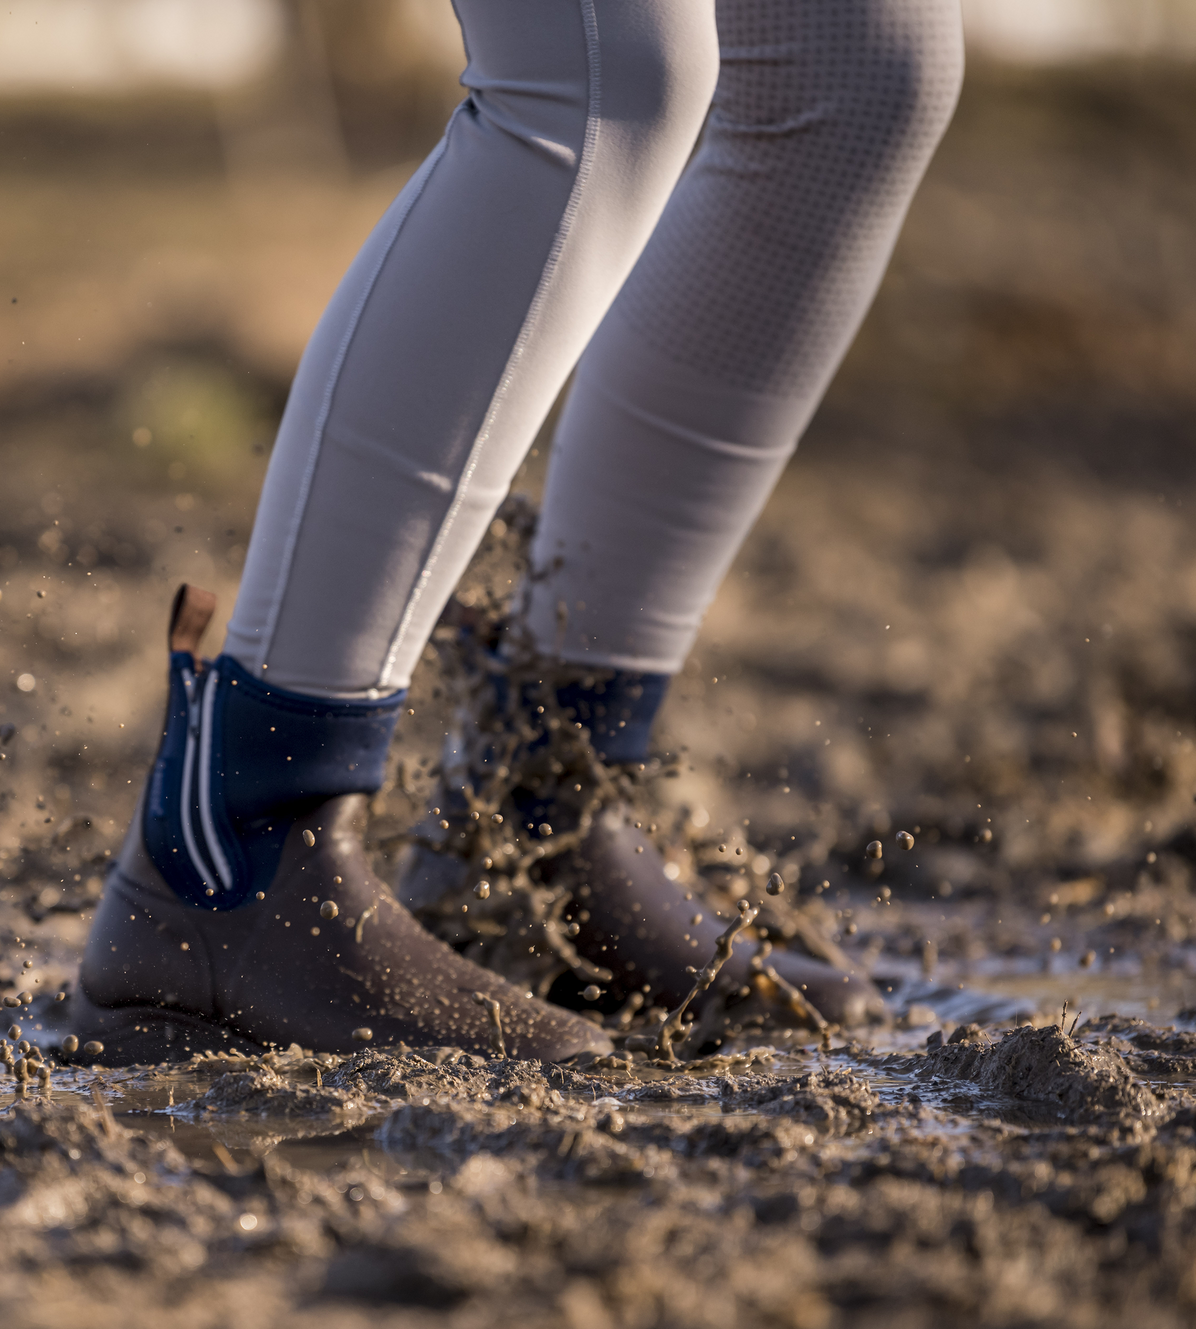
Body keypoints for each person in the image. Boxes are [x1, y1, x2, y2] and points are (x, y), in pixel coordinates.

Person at [74, 0, 965, 1062]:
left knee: (857, 70)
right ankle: (238, 854)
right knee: (602, 66)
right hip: (231, 874)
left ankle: (530, 814)